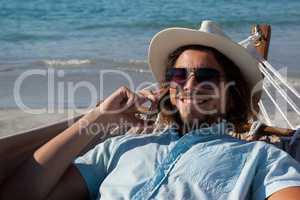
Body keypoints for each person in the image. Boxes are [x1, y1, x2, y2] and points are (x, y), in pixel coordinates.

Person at [1, 20, 300, 200]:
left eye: (206, 76)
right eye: (179, 76)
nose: (191, 84)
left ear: (232, 97)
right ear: (170, 88)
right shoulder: (120, 147)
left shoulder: (262, 158)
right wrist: (99, 118)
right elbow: (20, 194)